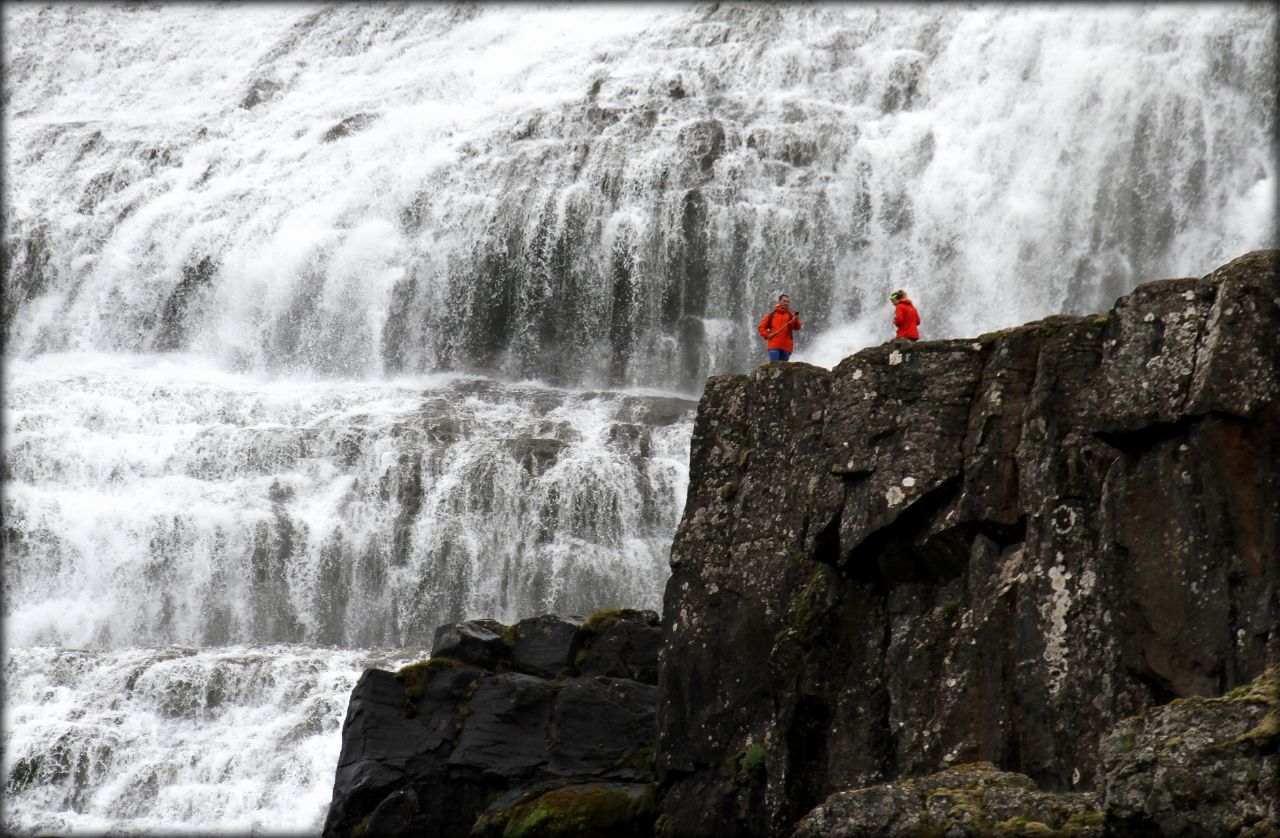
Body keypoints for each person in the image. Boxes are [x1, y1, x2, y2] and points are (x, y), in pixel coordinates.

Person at [758, 294, 802, 362]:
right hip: (774, 345)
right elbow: (761, 327)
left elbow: (797, 327)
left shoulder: (791, 316)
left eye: (788, 302)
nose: (786, 303)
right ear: (779, 302)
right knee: (775, 365)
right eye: (784, 301)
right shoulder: (771, 315)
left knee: (783, 368)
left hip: (786, 346)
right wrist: (767, 335)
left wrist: (796, 321)